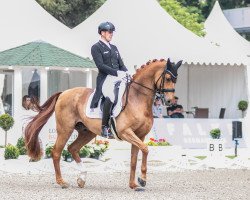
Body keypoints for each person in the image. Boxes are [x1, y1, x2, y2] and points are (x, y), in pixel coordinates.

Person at [90, 22, 128, 138]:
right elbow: (100, 65)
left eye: (112, 32)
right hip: (105, 78)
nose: (111, 34)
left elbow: (121, 64)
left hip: (118, 77)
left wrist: (127, 73)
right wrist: (116, 73)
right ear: (102, 33)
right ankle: (104, 127)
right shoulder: (96, 47)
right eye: (109, 32)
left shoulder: (114, 48)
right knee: (111, 96)